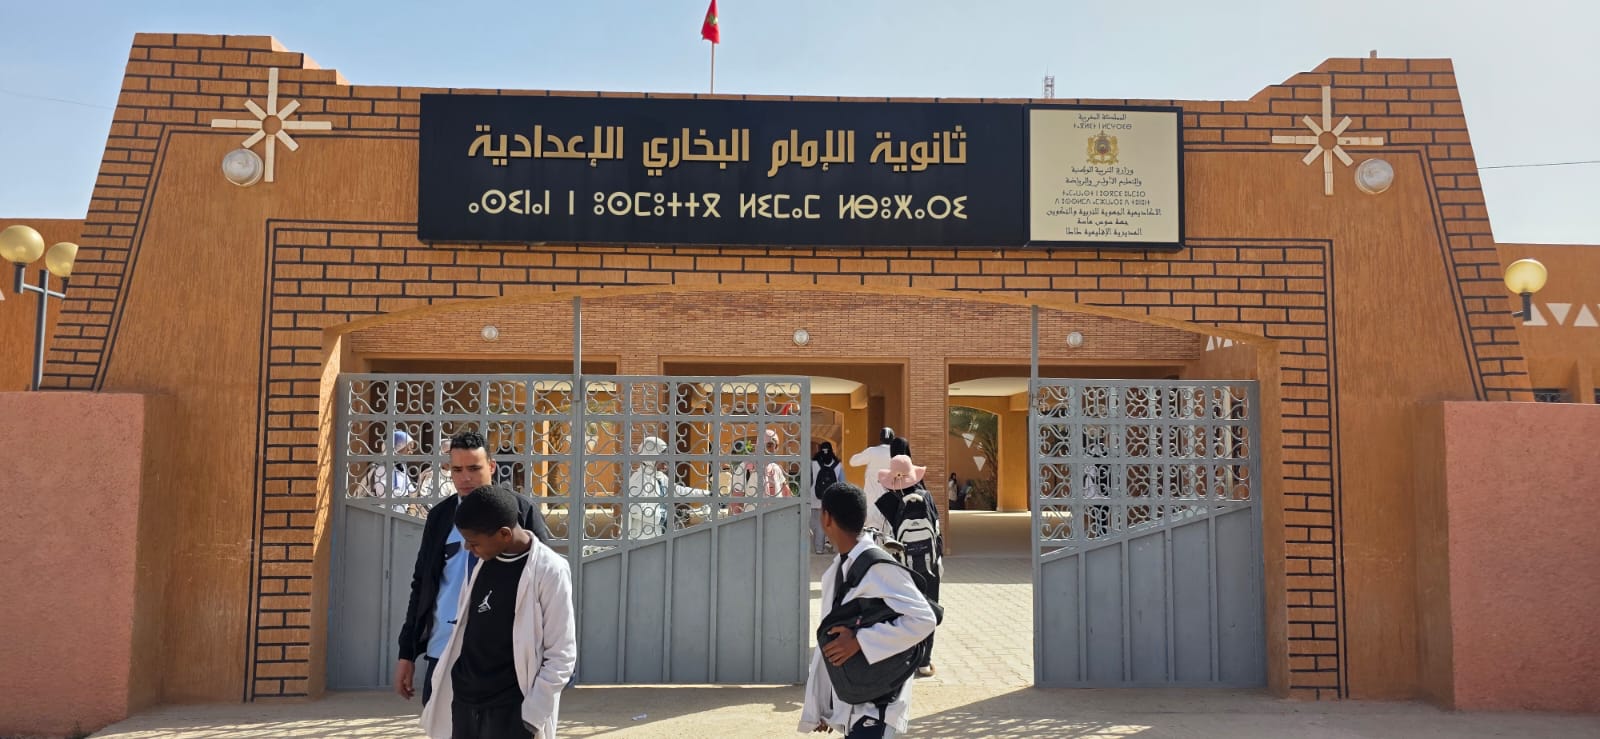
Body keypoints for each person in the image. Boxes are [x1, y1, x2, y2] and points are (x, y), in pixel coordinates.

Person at [396, 431, 554, 706]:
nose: (465, 477)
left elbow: (545, 583)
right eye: (457, 470)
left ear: (491, 466)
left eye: (474, 468)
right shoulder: (440, 517)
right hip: (444, 646)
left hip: (504, 655)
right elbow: (422, 584)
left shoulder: (521, 512)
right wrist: (406, 653)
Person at [420, 485, 576, 739]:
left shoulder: (549, 570)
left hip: (511, 710)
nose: (468, 548)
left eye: (473, 542)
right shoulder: (484, 560)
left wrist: (531, 716)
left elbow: (562, 655)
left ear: (504, 534)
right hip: (465, 701)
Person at [801, 482, 937, 738]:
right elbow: (829, 643)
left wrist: (860, 641)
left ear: (826, 517)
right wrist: (824, 706)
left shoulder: (877, 566)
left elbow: (924, 619)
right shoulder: (839, 568)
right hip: (855, 702)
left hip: (878, 708)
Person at [849, 427, 897, 535]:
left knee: (871, 530)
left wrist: (859, 453)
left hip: (871, 499)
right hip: (889, 498)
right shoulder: (896, 453)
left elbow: (853, 462)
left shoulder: (872, 451)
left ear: (880, 438)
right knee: (888, 531)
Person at [810, 442, 843, 555]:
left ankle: (819, 547)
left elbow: (808, 480)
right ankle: (832, 546)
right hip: (832, 498)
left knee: (817, 523)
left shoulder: (813, 463)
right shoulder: (838, 464)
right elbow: (842, 482)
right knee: (831, 523)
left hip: (815, 497)